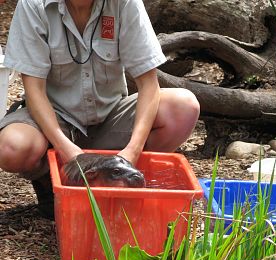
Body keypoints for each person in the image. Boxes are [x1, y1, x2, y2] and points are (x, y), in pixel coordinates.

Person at [0, 0, 200, 219]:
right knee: (12, 147)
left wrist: (132, 151)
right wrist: (69, 153)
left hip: (110, 115)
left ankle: (121, 181)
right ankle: (53, 183)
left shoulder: (125, 4)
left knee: (183, 107)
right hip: (53, 120)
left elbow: (148, 84)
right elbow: (34, 89)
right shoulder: (34, 5)